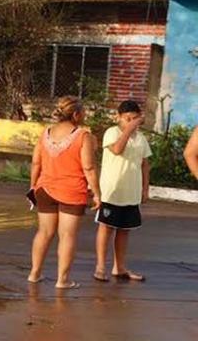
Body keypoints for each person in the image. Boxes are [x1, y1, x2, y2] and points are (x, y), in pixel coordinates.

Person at [28, 96, 101, 289]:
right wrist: (97, 193)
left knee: (44, 232)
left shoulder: (46, 133)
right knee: (67, 236)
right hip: (72, 191)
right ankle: (63, 279)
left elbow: (36, 162)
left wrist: (33, 186)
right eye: (83, 112)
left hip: (44, 188)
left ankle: (34, 273)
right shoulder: (83, 135)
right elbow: (89, 167)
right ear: (76, 114)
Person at [94, 100, 151, 282]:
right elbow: (117, 149)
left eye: (135, 119)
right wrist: (128, 129)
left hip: (131, 191)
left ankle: (119, 267)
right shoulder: (112, 132)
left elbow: (144, 164)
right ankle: (100, 267)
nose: (132, 122)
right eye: (128, 119)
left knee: (125, 230)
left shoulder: (141, 138)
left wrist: (145, 189)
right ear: (119, 118)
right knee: (106, 227)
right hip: (112, 190)